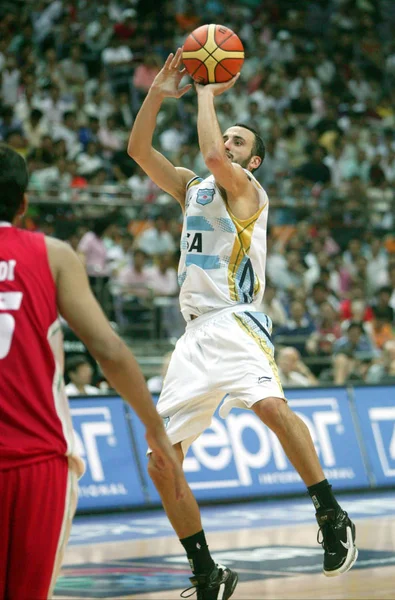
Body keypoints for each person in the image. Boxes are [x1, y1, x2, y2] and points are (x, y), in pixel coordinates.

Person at [127, 48, 358, 600]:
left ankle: (330, 513)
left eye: (239, 142)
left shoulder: (248, 193)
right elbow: (139, 149)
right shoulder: (190, 187)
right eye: (227, 136)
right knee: (162, 459)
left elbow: (209, 152)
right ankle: (206, 571)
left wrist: (207, 88)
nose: (227, 144)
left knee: (273, 407)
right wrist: (159, 92)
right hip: (194, 335)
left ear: (252, 162)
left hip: (237, 320)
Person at [0, 144, 183, 600]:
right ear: (24, 204)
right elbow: (109, 350)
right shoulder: (52, 255)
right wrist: (155, 428)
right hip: (35, 461)